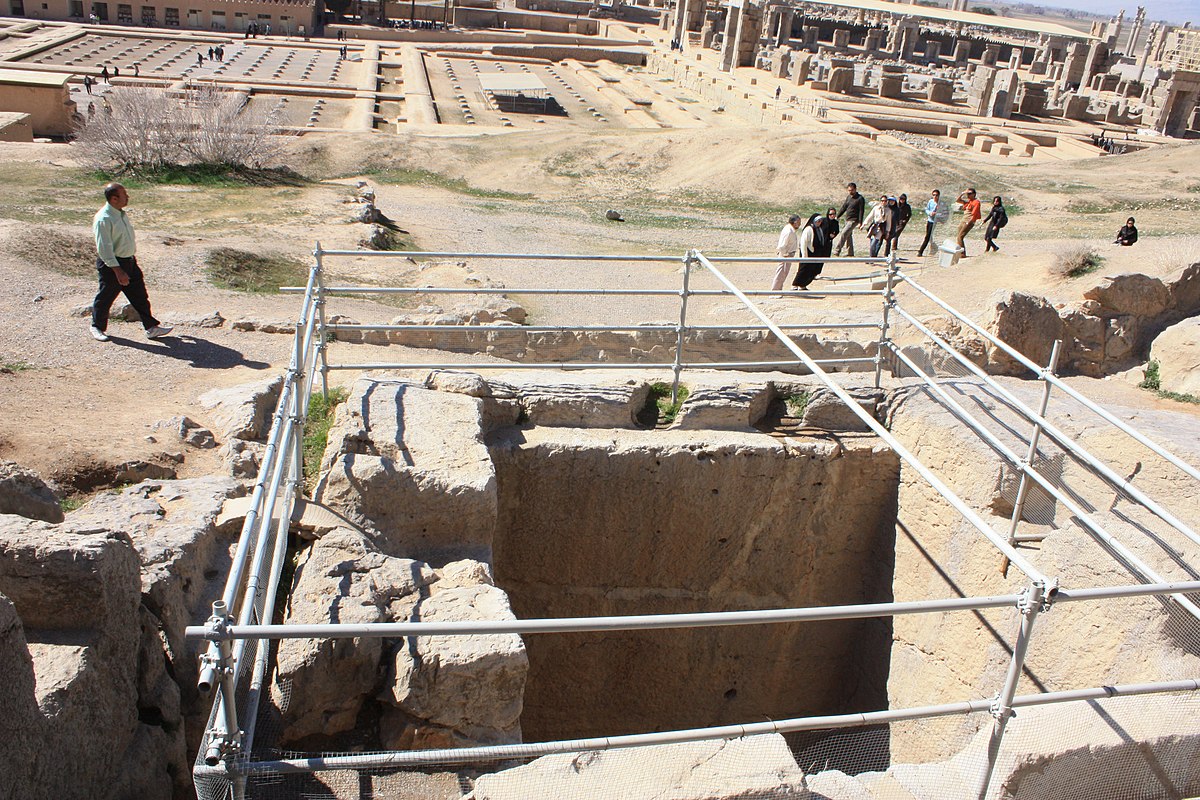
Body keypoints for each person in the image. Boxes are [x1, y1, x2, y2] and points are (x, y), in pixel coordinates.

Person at [90, 183, 172, 342]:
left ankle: (151, 327)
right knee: (106, 296)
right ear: (114, 199)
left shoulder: (120, 214)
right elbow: (104, 249)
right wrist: (118, 271)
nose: (128, 197)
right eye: (124, 195)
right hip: (113, 265)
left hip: (129, 261)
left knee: (140, 295)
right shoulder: (104, 219)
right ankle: (97, 327)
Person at [793, 213, 830, 290]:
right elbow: (803, 243)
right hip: (807, 252)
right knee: (803, 269)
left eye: (820, 221)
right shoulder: (808, 229)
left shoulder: (819, 229)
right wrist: (804, 256)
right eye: (818, 221)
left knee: (811, 271)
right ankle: (795, 284)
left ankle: (803, 285)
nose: (819, 223)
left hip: (815, 253)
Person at [773, 214, 802, 292]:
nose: (800, 224)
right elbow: (782, 245)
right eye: (799, 222)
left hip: (789, 254)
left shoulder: (790, 230)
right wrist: (786, 254)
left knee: (783, 274)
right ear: (795, 222)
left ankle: (778, 290)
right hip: (785, 255)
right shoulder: (788, 231)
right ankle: (775, 291)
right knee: (780, 273)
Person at [834, 182, 865, 257]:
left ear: (855, 189)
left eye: (851, 190)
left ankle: (837, 250)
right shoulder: (849, 197)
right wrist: (837, 216)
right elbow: (844, 207)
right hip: (847, 219)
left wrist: (860, 222)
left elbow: (861, 211)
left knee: (844, 233)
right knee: (848, 236)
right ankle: (850, 253)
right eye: (849, 190)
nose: (850, 192)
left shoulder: (860, 198)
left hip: (854, 220)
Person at [916, 189, 948, 257]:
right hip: (930, 220)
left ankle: (921, 251)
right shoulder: (930, 202)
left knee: (928, 236)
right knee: (928, 235)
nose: (935, 196)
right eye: (933, 195)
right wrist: (930, 213)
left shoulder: (942, 204)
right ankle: (933, 247)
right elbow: (927, 209)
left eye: (936, 195)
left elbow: (945, 213)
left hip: (937, 222)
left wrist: (937, 214)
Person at [955, 188, 982, 258]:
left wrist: (969, 222)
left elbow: (974, 214)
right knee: (958, 236)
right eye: (967, 194)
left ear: (974, 194)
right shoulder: (969, 202)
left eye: (970, 194)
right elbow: (958, 200)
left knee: (960, 236)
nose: (968, 195)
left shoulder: (976, 202)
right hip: (963, 220)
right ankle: (960, 251)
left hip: (969, 221)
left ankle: (962, 253)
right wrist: (962, 193)